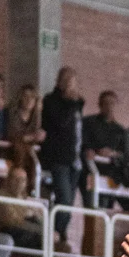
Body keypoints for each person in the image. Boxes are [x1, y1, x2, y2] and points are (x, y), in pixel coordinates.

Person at [41, 67, 84, 205]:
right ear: (59, 81)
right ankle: (57, 220)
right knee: (64, 199)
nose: (69, 84)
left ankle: (61, 220)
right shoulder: (50, 100)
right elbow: (61, 122)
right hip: (58, 158)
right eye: (66, 80)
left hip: (74, 158)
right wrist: (71, 103)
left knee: (69, 202)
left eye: (72, 81)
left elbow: (78, 129)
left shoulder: (77, 104)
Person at [81, 90, 128, 183]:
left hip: (110, 171)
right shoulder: (88, 122)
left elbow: (123, 152)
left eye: (112, 103)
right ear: (100, 105)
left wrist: (112, 153)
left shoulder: (120, 130)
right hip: (88, 168)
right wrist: (90, 150)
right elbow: (81, 141)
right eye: (106, 103)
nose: (109, 107)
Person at [8, 82, 43, 164]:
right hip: (12, 152)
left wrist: (38, 111)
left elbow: (36, 135)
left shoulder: (36, 115)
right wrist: (31, 137)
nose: (29, 100)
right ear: (20, 98)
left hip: (30, 154)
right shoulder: (13, 113)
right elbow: (12, 135)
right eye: (25, 96)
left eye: (32, 97)